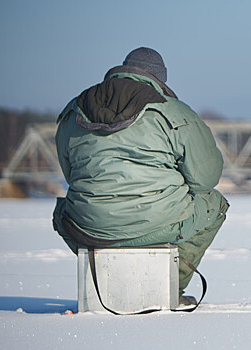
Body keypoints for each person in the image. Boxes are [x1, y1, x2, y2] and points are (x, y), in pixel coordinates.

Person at [52, 47, 229, 303]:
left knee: (62, 213)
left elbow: (70, 174)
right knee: (215, 204)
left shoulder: (75, 109)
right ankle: (168, 290)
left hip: (88, 227)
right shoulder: (174, 111)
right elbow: (206, 179)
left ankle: (105, 285)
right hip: (160, 224)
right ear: (160, 79)